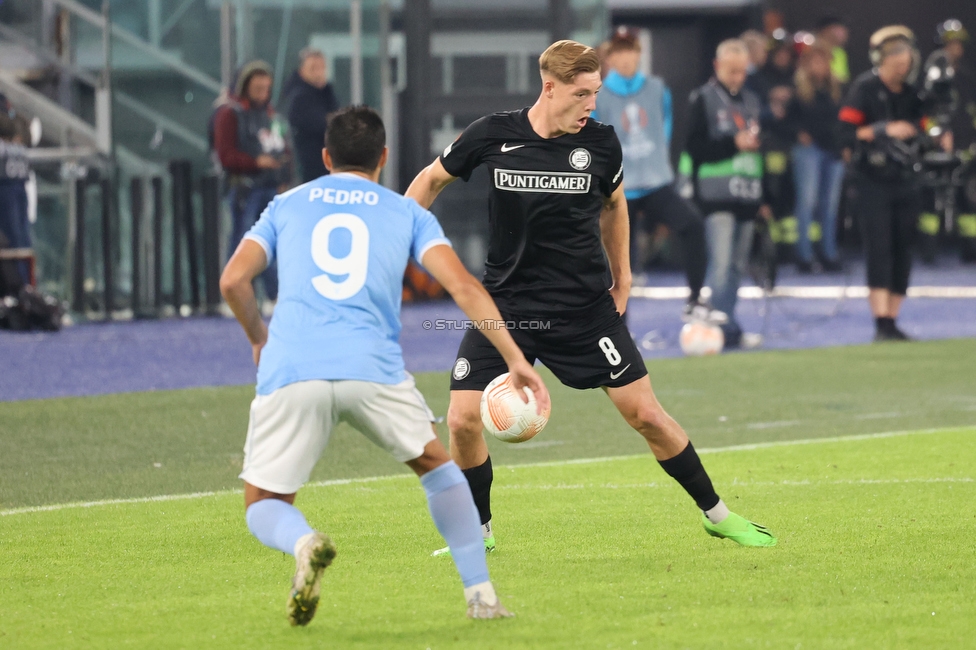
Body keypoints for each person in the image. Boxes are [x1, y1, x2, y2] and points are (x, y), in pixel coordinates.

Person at [406, 39, 777, 557]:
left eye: (596, 93)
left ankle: (717, 515)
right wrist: (396, 235)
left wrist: (622, 277)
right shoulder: (493, 134)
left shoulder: (601, 143)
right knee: (463, 419)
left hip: (583, 309)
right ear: (550, 86)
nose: (592, 105)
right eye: (583, 94)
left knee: (646, 415)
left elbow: (614, 205)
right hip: (505, 307)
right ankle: (478, 533)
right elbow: (430, 180)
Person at [220, 106, 549, 624]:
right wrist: (514, 359)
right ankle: (481, 596)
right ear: (384, 158)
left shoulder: (286, 205)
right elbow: (463, 287)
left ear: (326, 157)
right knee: (440, 473)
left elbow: (233, 282)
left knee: (263, 502)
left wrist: (259, 339)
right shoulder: (405, 213)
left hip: (293, 366)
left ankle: (304, 542)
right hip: (372, 368)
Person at [593, 28, 720, 323]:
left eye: (631, 50)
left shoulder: (656, 88)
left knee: (693, 225)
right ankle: (617, 326)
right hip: (618, 188)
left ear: (639, 54)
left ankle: (695, 299)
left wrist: (657, 167)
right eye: (619, 51)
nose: (626, 57)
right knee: (619, 262)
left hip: (655, 182)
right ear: (610, 57)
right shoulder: (598, 94)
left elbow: (664, 130)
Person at [838, 26, 934, 341]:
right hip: (871, 180)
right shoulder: (865, 89)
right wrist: (883, 129)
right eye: (895, 61)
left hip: (907, 179)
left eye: (905, 61)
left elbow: (927, 129)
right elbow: (847, 133)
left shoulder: (915, 93)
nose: (901, 67)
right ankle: (880, 319)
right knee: (879, 248)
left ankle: (893, 318)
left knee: (903, 247)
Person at [685, 39, 768, 349]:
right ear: (717, 67)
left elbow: (759, 152)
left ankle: (729, 326)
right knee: (719, 266)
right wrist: (733, 144)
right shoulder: (703, 99)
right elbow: (693, 148)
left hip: (747, 194)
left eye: (742, 71)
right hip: (715, 195)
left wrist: (764, 197)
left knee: (735, 267)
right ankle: (717, 327)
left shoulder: (752, 101)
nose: (737, 77)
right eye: (731, 71)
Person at [214, 60, 290, 309]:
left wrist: (285, 178)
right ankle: (235, 298)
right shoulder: (230, 114)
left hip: (272, 189)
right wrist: (256, 162)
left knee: (273, 247)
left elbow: (286, 149)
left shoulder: (273, 116)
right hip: (245, 189)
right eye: (257, 87)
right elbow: (225, 155)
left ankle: (273, 295)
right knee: (242, 244)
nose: (262, 93)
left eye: (266, 88)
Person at [788, 41, 845, 272]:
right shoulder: (799, 91)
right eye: (815, 61)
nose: (820, 66)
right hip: (809, 150)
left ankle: (829, 254)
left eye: (823, 61)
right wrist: (799, 134)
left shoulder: (839, 89)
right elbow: (787, 121)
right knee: (807, 202)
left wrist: (844, 145)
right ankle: (804, 255)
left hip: (834, 150)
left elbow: (845, 119)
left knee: (829, 205)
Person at [922, 19, 976, 262]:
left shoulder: (967, 80)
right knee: (932, 198)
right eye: (949, 44)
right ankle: (929, 250)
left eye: (957, 44)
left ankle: (969, 249)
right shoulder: (928, 80)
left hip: (965, 148)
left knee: (968, 198)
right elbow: (923, 114)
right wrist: (937, 133)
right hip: (935, 149)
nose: (954, 49)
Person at [283, 48, 341, 183]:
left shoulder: (326, 93)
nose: (319, 73)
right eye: (313, 68)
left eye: (322, 68)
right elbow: (326, 125)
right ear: (302, 70)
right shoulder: (299, 97)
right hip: (308, 172)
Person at [0, 113, 31, 285]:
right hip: (19, 193)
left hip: (5, 193)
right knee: (20, 239)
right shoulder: (20, 150)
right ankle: (23, 282)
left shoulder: (4, 150)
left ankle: (15, 284)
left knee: (11, 241)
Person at [816, 16, 851, 85]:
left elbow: (843, 78)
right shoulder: (811, 49)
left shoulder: (840, 53)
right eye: (836, 29)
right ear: (825, 30)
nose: (842, 32)